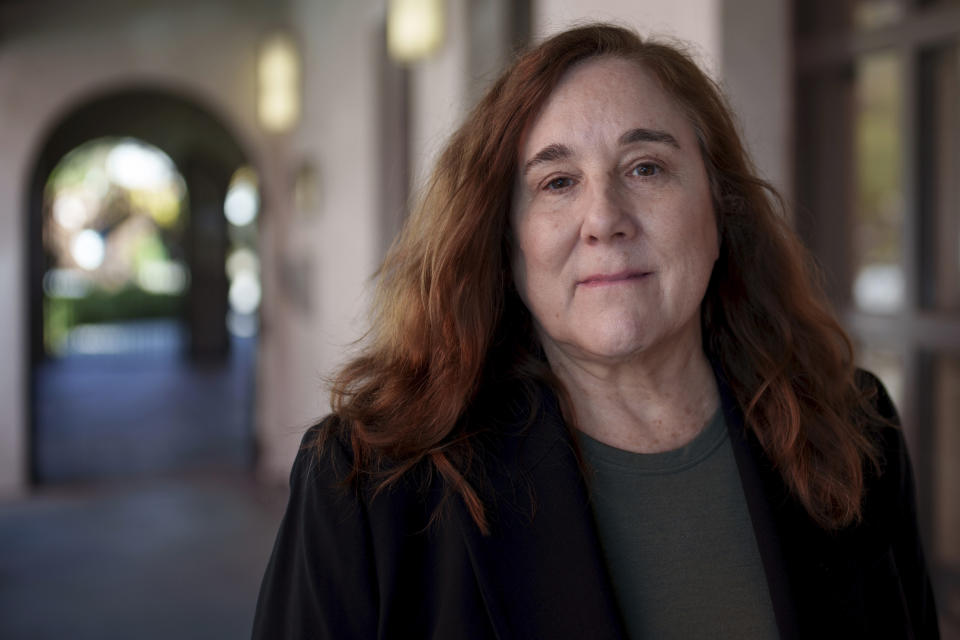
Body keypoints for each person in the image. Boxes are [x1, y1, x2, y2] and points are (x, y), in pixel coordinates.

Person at [252, 23, 939, 639]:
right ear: (504, 236)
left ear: (719, 205)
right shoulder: (369, 485)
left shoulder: (852, 431)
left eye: (646, 168)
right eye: (556, 182)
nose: (604, 217)